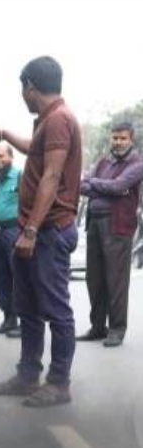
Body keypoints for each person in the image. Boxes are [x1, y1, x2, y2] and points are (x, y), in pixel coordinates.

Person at [0, 55, 81, 407]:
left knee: (55, 308)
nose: (22, 95)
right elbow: (35, 152)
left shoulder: (59, 121)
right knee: (29, 308)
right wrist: (6, 134)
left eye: (22, 89)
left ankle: (58, 383)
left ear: (30, 87)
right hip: (35, 229)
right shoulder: (47, 121)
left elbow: (51, 176)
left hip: (49, 231)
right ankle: (27, 375)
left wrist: (32, 229)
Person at [77, 122, 143, 347]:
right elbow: (82, 186)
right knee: (94, 279)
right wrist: (104, 185)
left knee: (115, 280)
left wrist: (96, 184)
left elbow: (120, 186)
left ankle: (116, 329)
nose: (118, 142)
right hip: (94, 224)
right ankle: (97, 327)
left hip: (118, 226)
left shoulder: (137, 164)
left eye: (123, 138)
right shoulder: (103, 163)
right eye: (115, 138)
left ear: (131, 139)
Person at [0, 144, 22, 338]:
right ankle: (9, 318)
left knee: (19, 278)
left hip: (14, 231)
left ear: (11, 157)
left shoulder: (19, 176)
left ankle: (24, 323)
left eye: (1, 156)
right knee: (0, 278)